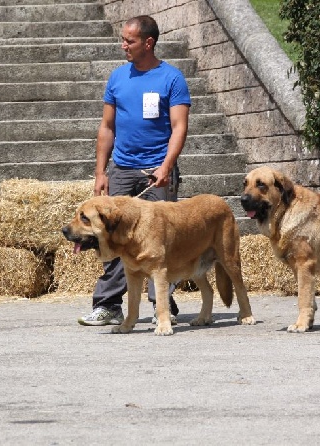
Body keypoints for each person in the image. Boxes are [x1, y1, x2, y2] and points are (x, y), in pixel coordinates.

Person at [78, 15, 191, 326]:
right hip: (122, 170)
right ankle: (108, 305)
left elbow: (180, 127)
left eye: (129, 40)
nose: (123, 45)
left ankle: (162, 308)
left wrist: (166, 166)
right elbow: (107, 127)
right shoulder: (117, 78)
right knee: (110, 238)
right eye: (123, 39)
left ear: (148, 43)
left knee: (158, 242)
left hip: (157, 171)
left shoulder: (171, 79)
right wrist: (101, 172)